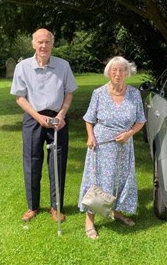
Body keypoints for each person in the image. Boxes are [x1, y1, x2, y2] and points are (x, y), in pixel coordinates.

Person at [10, 28, 77, 222]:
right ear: (33, 44)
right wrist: (38, 117)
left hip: (58, 118)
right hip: (33, 118)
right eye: (40, 42)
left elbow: (69, 93)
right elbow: (20, 98)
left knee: (58, 163)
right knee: (32, 161)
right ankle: (33, 206)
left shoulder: (63, 66)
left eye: (47, 42)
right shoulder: (22, 67)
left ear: (52, 44)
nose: (43, 46)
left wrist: (62, 114)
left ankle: (56, 208)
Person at [78, 56, 146, 239]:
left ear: (127, 73)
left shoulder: (134, 94)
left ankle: (116, 212)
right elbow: (89, 119)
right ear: (109, 72)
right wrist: (90, 137)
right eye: (114, 70)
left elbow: (140, 121)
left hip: (124, 147)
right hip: (101, 147)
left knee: (120, 180)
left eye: (122, 70)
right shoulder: (99, 93)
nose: (118, 73)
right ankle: (89, 221)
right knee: (98, 182)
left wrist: (129, 134)